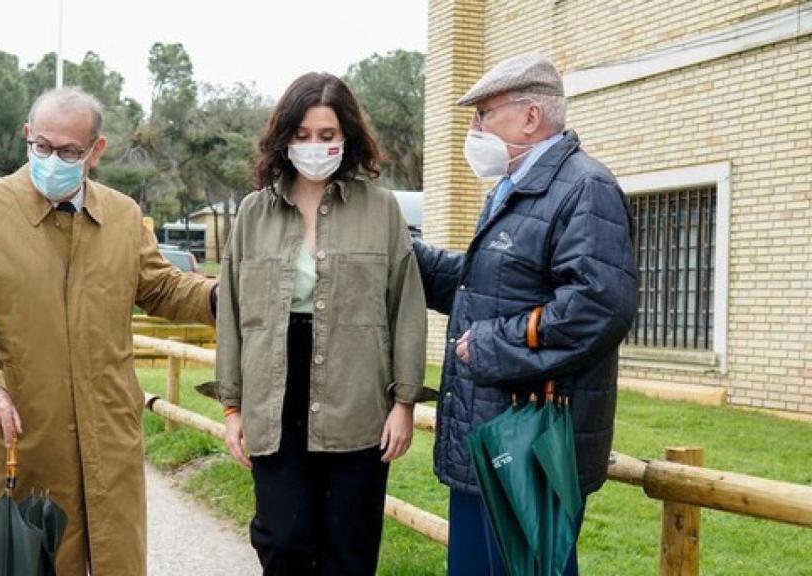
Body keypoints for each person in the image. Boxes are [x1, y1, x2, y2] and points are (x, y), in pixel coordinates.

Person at [0, 86, 217, 575]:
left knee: (113, 556)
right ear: (27, 136)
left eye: (68, 151)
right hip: (19, 429)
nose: (52, 159)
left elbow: (162, 288)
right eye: (42, 146)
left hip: (106, 431)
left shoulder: (123, 216)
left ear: (96, 151)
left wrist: (220, 297)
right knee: (22, 559)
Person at [413, 53, 639, 575]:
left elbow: (598, 307)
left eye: (483, 114)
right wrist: (405, 254)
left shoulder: (586, 187)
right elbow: (484, 290)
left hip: (533, 444)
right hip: (487, 434)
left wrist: (493, 345)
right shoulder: (511, 192)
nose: (474, 128)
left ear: (530, 116)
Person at [215, 72, 427, 576]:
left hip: (357, 399)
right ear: (284, 137)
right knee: (284, 541)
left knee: (348, 552)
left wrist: (403, 404)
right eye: (303, 135)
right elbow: (233, 314)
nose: (314, 146)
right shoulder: (253, 213)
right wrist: (231, 408)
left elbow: (406, 306)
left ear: (346, 137)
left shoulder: (382, 210)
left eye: (327, 136)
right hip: (274, 396)